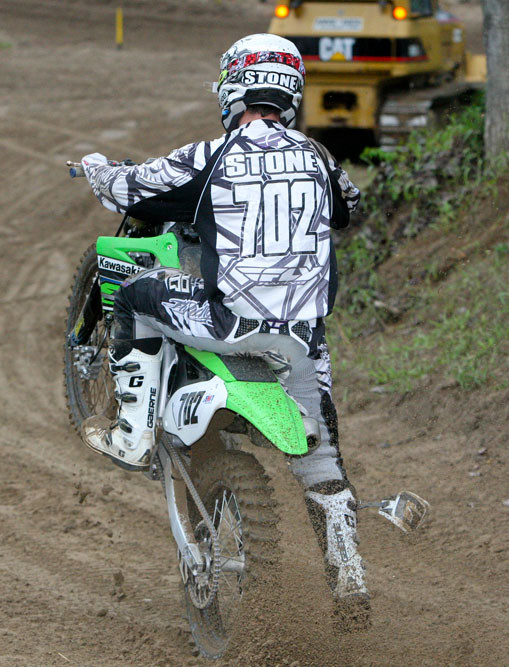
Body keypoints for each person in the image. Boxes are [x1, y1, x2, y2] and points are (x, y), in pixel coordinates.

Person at [78, 34, 368, 625]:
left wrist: (96, 168)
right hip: (302, 344)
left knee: (134, 294)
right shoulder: (320, 158)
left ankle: (131, 432)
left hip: (227, 323)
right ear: (291, 91)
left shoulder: (211, 156)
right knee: (323, 461)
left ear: (233, 87)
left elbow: (128, 190)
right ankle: (350, 582)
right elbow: (350, 207)